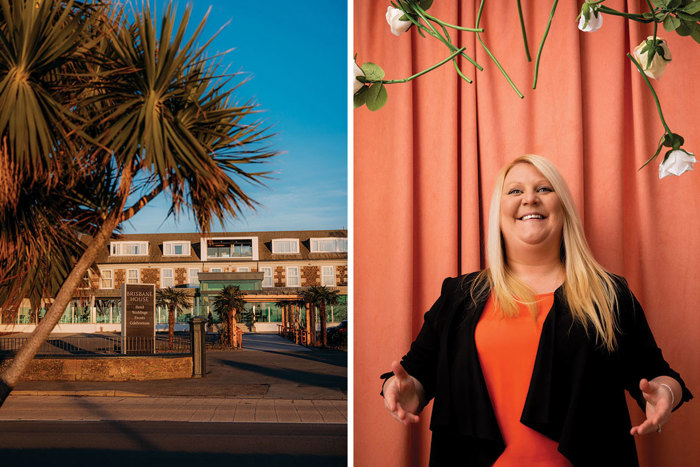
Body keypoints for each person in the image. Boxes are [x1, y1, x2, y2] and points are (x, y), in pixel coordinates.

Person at [381, 155, 692, 466]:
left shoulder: (609, 293)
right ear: (497, 212)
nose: (529, 198)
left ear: (563, 206)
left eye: (543, 189)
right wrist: (404, 390)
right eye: (515, 191)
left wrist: (665, 393)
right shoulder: (460, 295)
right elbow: (416, 374)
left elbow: (658, 374)